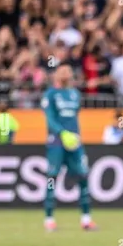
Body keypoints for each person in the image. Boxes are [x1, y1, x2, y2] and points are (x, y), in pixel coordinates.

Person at [40, 64, 97, 232]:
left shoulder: (75, 94)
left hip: (75, 143)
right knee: (52, 178)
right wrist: (62, 133)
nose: (66, 73)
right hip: (56, 142)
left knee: (83, 177)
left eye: (69, 70)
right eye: (62, 70)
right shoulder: (50, 94)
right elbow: (49, 119)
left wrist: (73, 135)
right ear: (56, 74)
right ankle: (49, 220)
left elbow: (74, 117)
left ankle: (86, 220)